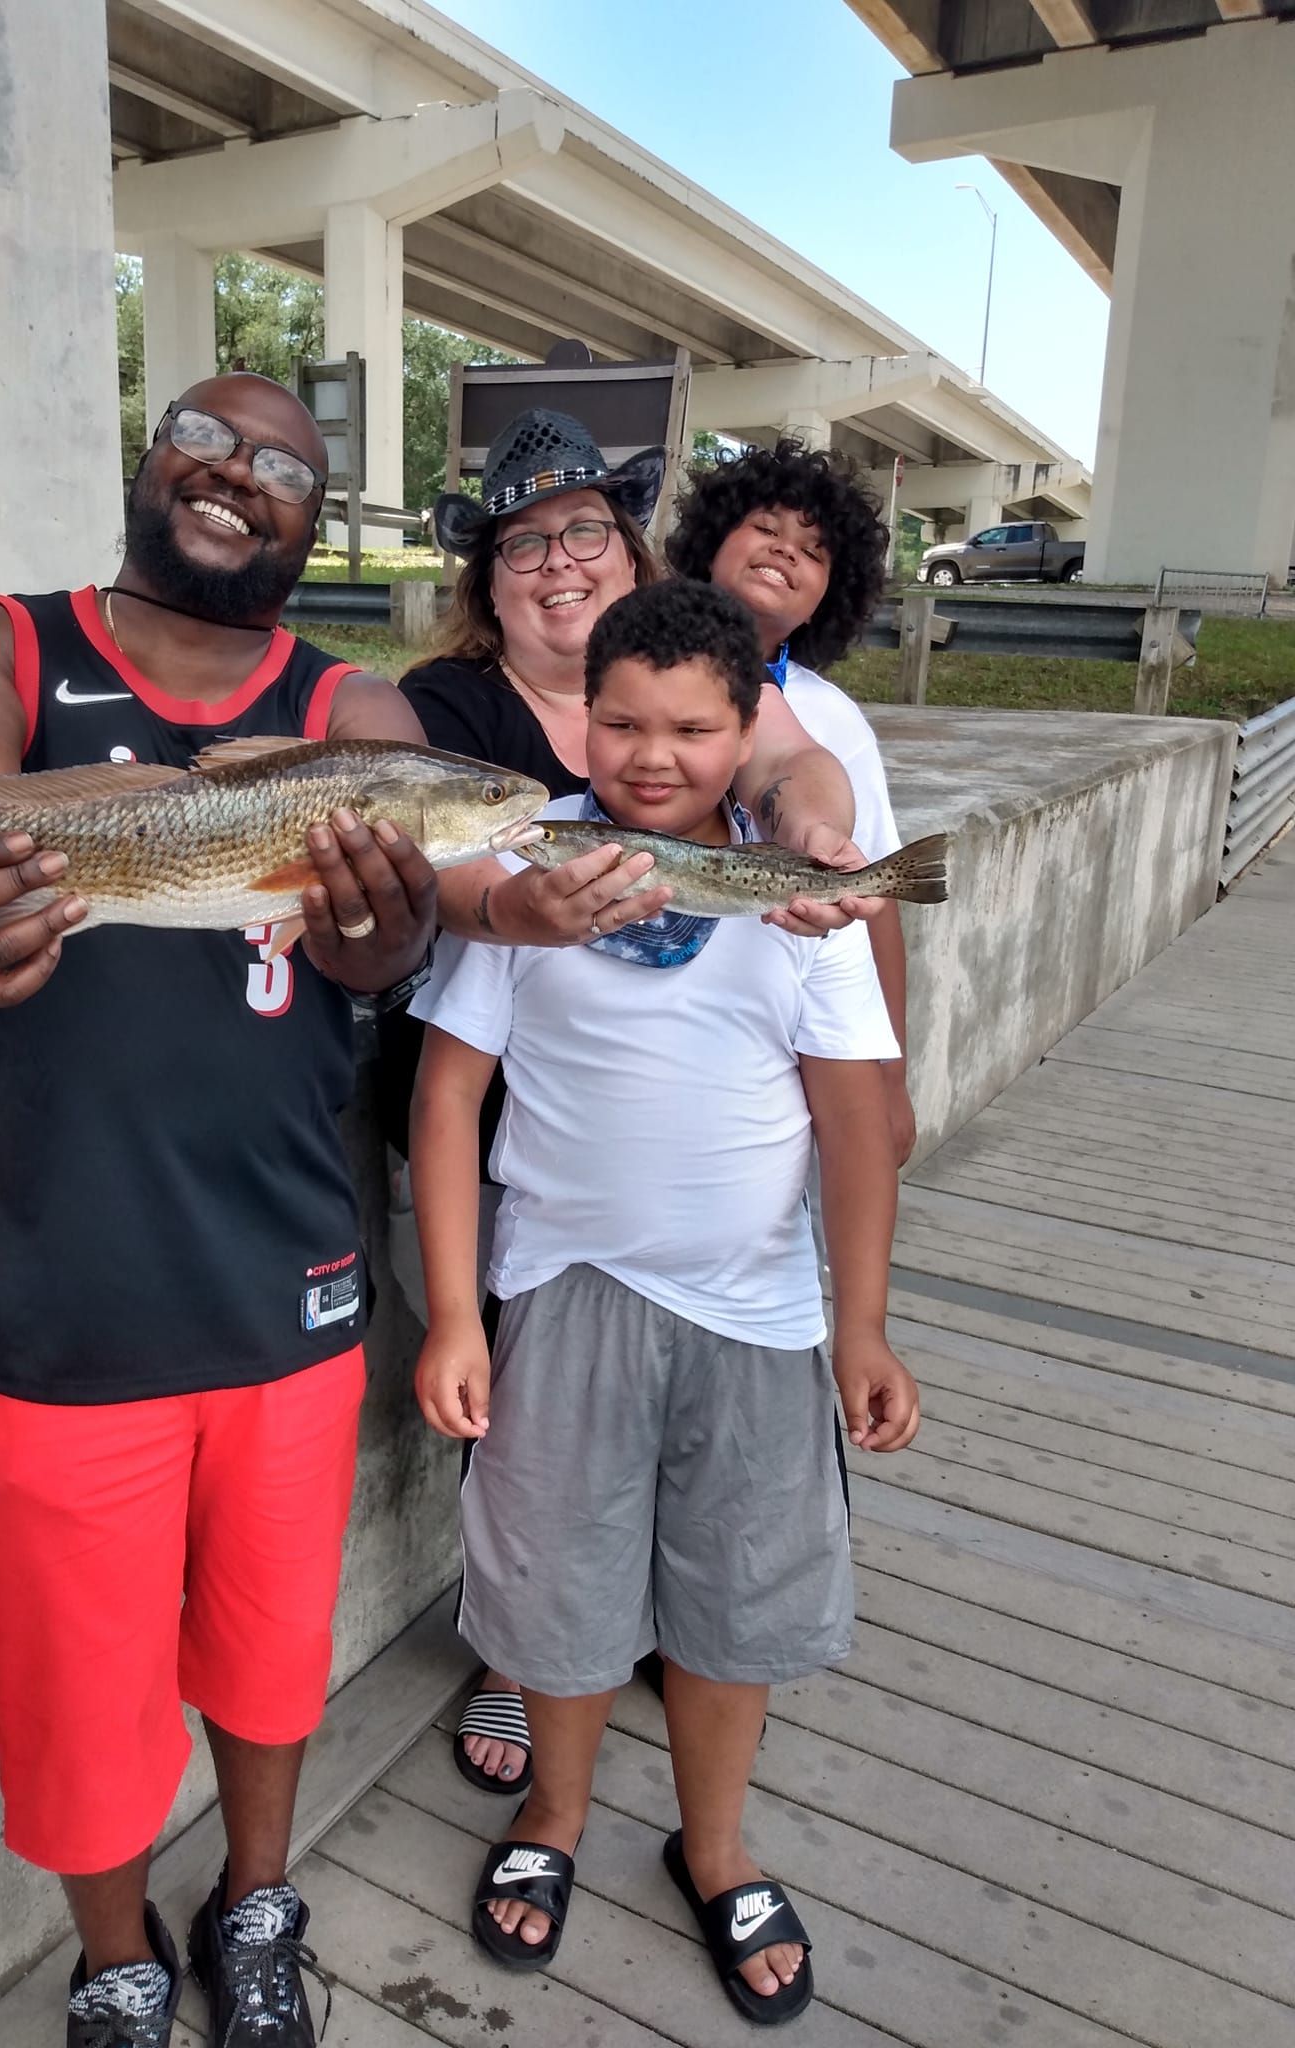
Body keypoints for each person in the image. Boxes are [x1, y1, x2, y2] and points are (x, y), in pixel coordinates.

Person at [0, 373, 439, 2048]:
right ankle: (117, 1953)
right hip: (54, 1287)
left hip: (289, 1276)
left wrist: (383, 935)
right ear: (147, 451)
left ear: (310, 527)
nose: (236, 473)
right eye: (207, 432)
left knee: (268, 1651)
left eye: (283, 468)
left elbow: (383, 950)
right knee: (70, 1689)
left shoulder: (357, 707)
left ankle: (258, 1895)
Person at [407, 578, 920, 2027]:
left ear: (750, 726)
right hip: (562, 1295)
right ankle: (555, 1817)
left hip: (758, 1316)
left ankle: (715, 1844)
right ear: (584, 721)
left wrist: (862, 1325)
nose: (652, 755)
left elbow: (853, 1124)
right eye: (621, 721)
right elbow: (450, 1101)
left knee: (731, 1601)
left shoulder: (798, 894)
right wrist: (455, 1311)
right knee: (558, 1588)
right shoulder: (528, 875)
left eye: (694, 728)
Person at [375, 407, 881, 1794]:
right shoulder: (440, 710)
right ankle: (527, 1677)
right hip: (526, 1159)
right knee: (548, 1497)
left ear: (630, 541)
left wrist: (813, 834)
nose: (553, 559)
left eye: (582, 527)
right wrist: (519, 905)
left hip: (731, 1227)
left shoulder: (693, 666)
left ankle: (689, 1747)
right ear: (485, 579)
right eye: (519, 541)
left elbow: (796, 769)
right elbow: (426, 887)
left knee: (714, 1523)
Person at [669, 438, 917, 1163]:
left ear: (830, 593)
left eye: (812, 550)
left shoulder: (835, 719)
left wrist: (892, 1073)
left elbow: (881, 894)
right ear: (711, 540)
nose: (784, 552)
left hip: (790, 1039)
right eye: (766, 528)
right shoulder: (635, 671)